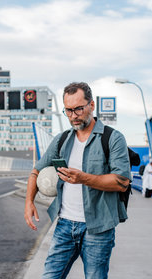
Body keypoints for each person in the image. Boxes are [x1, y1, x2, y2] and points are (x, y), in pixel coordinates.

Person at [24, 82, 131, 279]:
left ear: (91, 105)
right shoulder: (62, 139)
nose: (73, 116)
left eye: (78, 109)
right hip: (64, 225)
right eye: (68, 110)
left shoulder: (113, 138)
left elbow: (122, 181)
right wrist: (29, 201)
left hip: (98, 228)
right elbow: (36, 171)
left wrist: (83, 178)